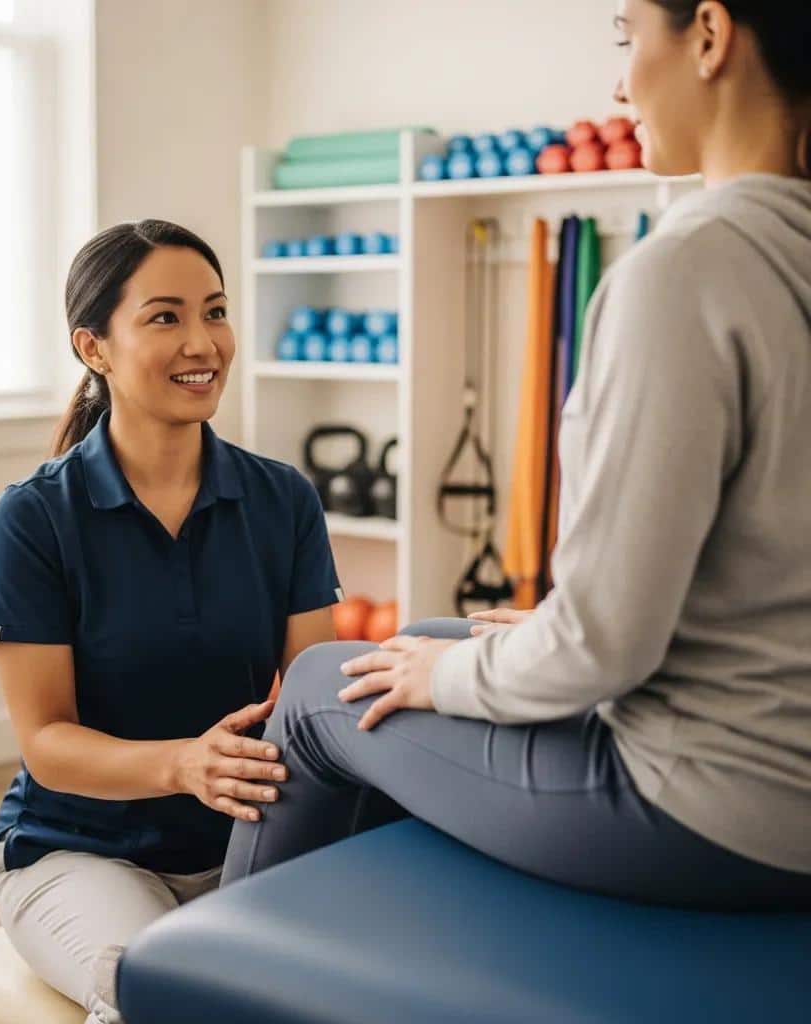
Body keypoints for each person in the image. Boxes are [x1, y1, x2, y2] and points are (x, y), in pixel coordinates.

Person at [222, 0, 811, 909]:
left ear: (708, 33)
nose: (619, 83)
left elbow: (601, 651)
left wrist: (518, 653)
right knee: (416, 643)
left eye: (626, 39)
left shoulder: (686, 268)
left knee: (312, 687)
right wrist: (522, 642)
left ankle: (209, 978)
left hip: (715, 809)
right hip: (778, 771)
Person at [0, 220, 339, 1023]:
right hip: (79, 851)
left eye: (215, 311)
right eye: (165, 317)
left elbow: (317, 699)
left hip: (245, 846)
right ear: (94, 348)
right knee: (170, 999)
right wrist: (184, 765)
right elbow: (47, 745)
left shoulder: (283, 500)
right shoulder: (35, 519)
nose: (202, 341)